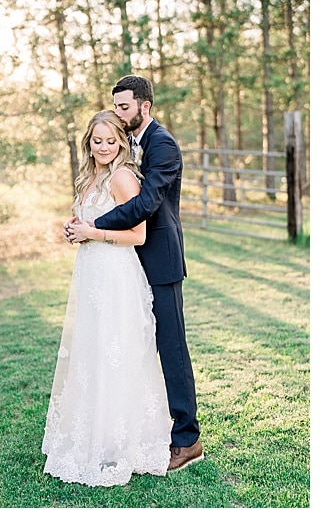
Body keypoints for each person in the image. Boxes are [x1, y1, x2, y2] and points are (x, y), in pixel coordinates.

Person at [65, 75, 203, 472]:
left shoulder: (163, 146)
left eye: (126, 108)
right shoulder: (131, 146)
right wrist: (84, 223)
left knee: (171, 347)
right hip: (124, 264)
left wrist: (92, 227)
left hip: (158, 259)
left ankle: (187, 438)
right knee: (123, 346)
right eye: (117, 107)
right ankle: (124, 429)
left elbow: (146, 203)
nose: (121, 116)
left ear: (146, 106)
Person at [47, 110, 171, 486]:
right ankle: (93, 432)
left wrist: (93, 234)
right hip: (91, 275)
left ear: (121, 142)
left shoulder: (121, 178)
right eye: (97, 141)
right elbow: (89, 222)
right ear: (89, 142)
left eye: (110, 141)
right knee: (92, 353)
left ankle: (119, 441)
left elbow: (138, 236)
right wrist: (75, 231)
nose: (103, 147)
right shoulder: (90, 177)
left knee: (115, 353)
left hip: (117, 275)